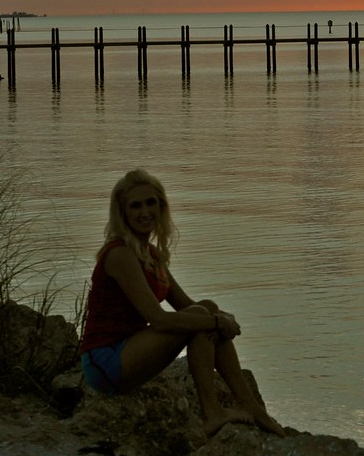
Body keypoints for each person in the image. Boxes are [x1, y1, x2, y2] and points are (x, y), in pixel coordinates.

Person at [79, 169, 285, 438]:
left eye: (151, 203)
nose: (145, 212)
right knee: (202, 319)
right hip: (105, 361)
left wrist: (222, 316)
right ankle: (212, 412)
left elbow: (185, 305)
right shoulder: (120, 254)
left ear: (161, 206)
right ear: (122, 212)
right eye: (135, 205)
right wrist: (216, 322)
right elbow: (160, 320)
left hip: (132, 348)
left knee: (207, 307)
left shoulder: (150, 254)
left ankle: (250, 405)